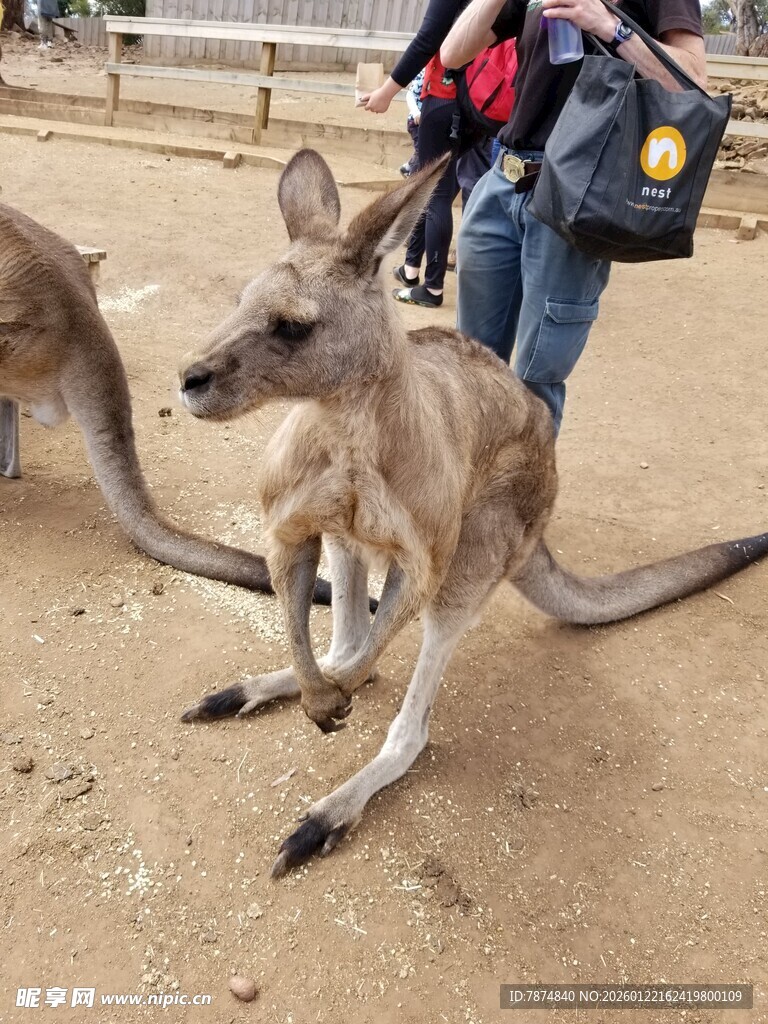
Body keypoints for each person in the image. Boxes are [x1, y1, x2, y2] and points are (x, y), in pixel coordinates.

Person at [441, 0, 706, 434]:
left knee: (534, 382)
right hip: (502, 180)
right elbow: (453, 54)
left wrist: (607, 26)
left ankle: (519, 501)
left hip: (576, 194)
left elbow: (692, 82)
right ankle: (463, 491)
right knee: (471, 367)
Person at [359, 0, 491, 309]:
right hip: (473, 100)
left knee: (436, 195)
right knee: (428, 184)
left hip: (444, 97)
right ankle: (411, 269)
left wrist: (386, 92)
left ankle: (431, 288)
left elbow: (426, 39)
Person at [400, 69, 425, 177]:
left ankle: (407, 167)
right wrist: (415, 112)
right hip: (417, 121)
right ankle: (413, 177)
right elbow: (410, 94)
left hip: (428, 120)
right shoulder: (426, 72)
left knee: (422, 148)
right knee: (422, 150)